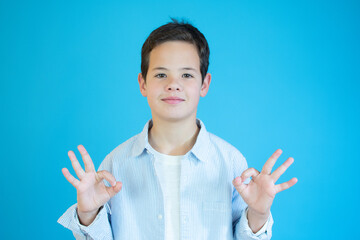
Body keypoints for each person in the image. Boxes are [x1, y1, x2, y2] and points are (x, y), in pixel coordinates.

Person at [58, 18, 297, 240]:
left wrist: (258, 214)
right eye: (161, 74)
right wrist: (88, 215)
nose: (173, 85)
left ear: (204, 84)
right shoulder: (115, 164)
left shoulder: (231, 162)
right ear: (143, 83)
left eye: (186, 75)